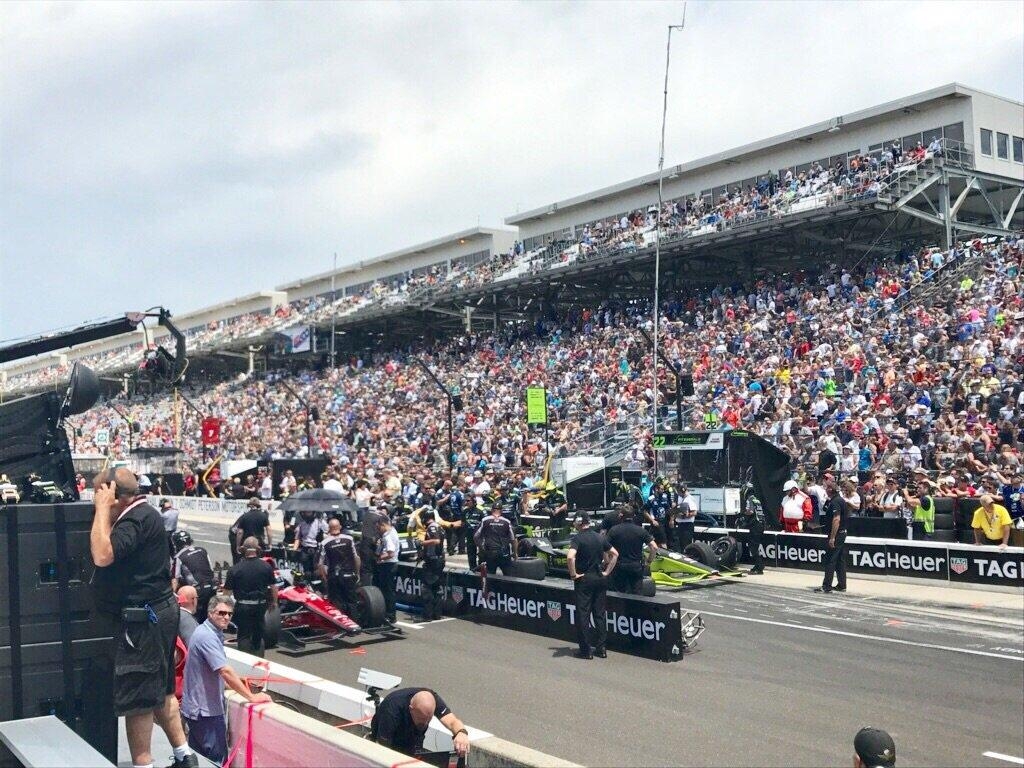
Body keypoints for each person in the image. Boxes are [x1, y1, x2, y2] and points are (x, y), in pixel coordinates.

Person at [88, 467, 197, 768]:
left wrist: (100, 509)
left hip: (143, 618)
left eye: (100, 493)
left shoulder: (135, 518)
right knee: (160, 690)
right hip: (158, 612)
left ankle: (143, 765)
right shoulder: (145, 513)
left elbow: (102, 554)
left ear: (115, 495)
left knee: (137, 696)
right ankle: (184, 755)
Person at [181, 595, 271, 764]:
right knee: (216, 760)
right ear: (210, 613)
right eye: (221, 613)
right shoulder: (207, 637)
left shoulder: (205, 632)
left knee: (199, 760)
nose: (226, 617)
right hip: (205, 712)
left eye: (229, 614)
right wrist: (251, 697)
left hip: (196, 710)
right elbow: (225, 671)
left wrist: (235, 683)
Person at [566, 512, 617, 659]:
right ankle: (601, 648)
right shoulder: (599, 537)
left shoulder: (577, 538)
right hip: (600, 578)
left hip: (584, 580)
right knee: (599, 614)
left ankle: (586, 650)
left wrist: (573, 575)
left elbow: (570, 557)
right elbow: (615, 554)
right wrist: (607, 571)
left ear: (578, 522)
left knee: (583, 614)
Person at [369, 688, 469, 759]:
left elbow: (452, 721)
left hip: (412, 742)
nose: (425, 723)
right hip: (391, 740)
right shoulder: (392, 709)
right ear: (411, 709)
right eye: (421, 719)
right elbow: (382, 749)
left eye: (428, 719)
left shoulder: (432, 699)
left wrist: (461, 732)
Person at [223, 537, 277, 655]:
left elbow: (227, 593)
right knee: (258, 634)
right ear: (257, 549)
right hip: (260, 606)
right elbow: (273, 587)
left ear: (243, 550)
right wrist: (274, 602)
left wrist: (225, 608)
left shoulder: (235, 569)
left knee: (243, 635)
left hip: (243, 606)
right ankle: (259, 660)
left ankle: (245, 660)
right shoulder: (266, 567)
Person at [606, 506, 657, 594]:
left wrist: (607, 562)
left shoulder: (614, 530)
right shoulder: (640, 530)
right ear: (633, 516)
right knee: (637, 594)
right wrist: (649, 561)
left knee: (619, 594)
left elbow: (604, 547)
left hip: (619, 566)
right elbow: (654, 547)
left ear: (620, 516)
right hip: (636, 566)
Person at [317, 517, 360, 619]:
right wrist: (357, 573)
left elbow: (320, 564)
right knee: (351, 600)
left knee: (336, 602)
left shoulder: (325, 543)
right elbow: (357, 558)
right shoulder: (349, 539)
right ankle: (354, 623)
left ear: (329, 528)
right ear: (340, 527)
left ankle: (340, 624)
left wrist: (324, 577)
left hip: (334, 576)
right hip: (349, 574)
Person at [815, 476, 852, 594]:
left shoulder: (836, 501)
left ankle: (826, 586)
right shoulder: (836, 500)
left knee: (830, 560)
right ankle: (842, 585)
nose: (825, 490)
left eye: (826, 488)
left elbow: (836, 519)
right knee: (840, 560)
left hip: (837, 534)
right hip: (841, 533)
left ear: (830, 489)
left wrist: (832, 537)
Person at [171, 530, 217, 621]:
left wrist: (172, 596)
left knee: (193, 617)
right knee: (208, 616)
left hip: (197, 591)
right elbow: (211, 570)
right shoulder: (202, 550)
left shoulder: (179, 557)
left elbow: (175, 579)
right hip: (211, 588)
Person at [473, 503, 517, 575]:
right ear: (501, 511)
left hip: (490, 553)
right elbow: (513, 539)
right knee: (509, 577)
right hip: (504, 553)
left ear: (491, 510)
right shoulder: (507, 522)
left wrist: (481, 549)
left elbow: (475, 537)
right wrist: (515, 553)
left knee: (489, 577)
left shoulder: (485, 520)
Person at [418, 509, 446, 621]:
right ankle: (437, 614)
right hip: (438, 560)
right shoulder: (439, 526)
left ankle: (428, 615)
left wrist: (421, 543)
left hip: (433, 561)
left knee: (427, 588)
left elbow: (436, 541)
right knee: (437, 587)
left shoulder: (432, 527)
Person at [375, 515, 400, 625]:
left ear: (383, 525)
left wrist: (379, 558)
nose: (378, 530)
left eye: (379, 528)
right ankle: (390, 614)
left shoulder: (387, 536)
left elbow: (390, 553)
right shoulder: (393, 531)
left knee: (387, 591)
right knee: (389, 591)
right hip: (392, 564)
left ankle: (389, 615)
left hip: (387, 565)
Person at [292, 509, 329, 577]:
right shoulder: (302, 524)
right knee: (307, 571)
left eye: (309, 512)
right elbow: (297, 538)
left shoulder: (320, 522)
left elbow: (328, 532)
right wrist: (294, 550)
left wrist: (322, 535)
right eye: (306, 512)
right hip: (305, 549)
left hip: (317, 549)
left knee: (317, 570)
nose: (307, 514)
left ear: (313, 512)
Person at [737, 488, 765, 575]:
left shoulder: (750, 499)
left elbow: (750, 511)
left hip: (755, 526)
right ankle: (758, 565)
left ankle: (760, 567)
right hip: (761, 525)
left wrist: (742, 515)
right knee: (754, 546)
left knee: (752, 546)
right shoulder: (757, 500)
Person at [358, 505, 387, 586]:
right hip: (373, 543)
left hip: (365, 543)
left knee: (365, 569)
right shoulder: (382, 517)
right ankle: (374, 587)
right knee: (373, 568)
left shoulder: (367, 514)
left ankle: (366, 589)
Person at [672, 484, 697, 552]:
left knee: (685, 545)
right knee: (679, 545)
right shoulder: (681, 498)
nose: (678, 494)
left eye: (678, 492)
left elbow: (694, 512)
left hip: (687, 525)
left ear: (681, 491)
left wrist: (684, 516)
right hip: (680, 525)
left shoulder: (689, 498)